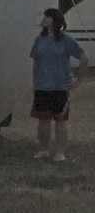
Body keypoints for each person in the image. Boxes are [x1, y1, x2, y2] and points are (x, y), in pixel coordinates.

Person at [30, 8, 89, 161]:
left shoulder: (66, 39)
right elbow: (36, 61)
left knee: (61, 120)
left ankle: (60, 152)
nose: (43, 19)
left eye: (47, 16)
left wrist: (79, 80)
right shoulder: (39, 40)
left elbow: (83, 58)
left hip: (61, 87)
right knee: (43, 120)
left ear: (54, 20)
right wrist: (35, 81)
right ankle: (43, 150)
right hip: (43, 86)